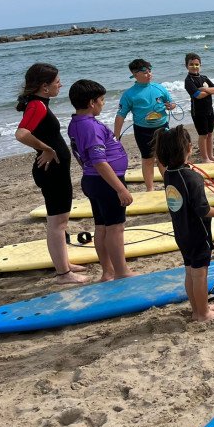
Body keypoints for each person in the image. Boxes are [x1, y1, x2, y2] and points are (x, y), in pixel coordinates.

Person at [14, 63, 87, 284]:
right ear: (44, 86)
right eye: (57, 82)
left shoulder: (39, 103)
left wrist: (47, 148)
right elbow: (21, 134)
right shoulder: (37, 106)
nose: (60, 84)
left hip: (54, 170)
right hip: (51, 171)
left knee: (59, 220)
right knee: (58, 223)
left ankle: (63, 263)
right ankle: (63, 274)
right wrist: (46, 148)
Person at [154, 126, 214, 322]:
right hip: (197, 234)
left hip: (182, 233)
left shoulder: (169, 175)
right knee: (200, 275)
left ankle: (198, 308)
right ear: (190, 147)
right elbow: (203, 210)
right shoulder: (192, 177)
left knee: (190, 272)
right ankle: (203, 314)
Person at [68, 79, 136, 282]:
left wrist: (89, 172)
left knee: (102, 226)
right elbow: (99, 161)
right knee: (115, 228)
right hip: (106, 182)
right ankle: (121, 271)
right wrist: (120, 189)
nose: (103, 103)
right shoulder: (90, 126)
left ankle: (108, 271)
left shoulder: (76, 123)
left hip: (93, 180)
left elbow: (79, 155)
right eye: (101, 100)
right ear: (91, 102)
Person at [113, 58, 175, 192]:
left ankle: (169, 184)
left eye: (150, 71)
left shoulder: (159, 88)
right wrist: (116, 135)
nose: (149, 74)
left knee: (163, 158)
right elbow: (121, 115)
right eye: (145, 72)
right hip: (143, 130)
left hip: (162, 127)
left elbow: (171, 103)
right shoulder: (129, 94)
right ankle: (150, 188)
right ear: (135, 74)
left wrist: (171, 106)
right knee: (147, 159)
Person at [184, 53, 214, 163]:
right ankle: (205, 158)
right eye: (191, 64)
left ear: (200, 65)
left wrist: (204, 89)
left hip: (209, 110)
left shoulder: (204, 77)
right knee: (203, 135)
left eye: (196, 64)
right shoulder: (188, 81)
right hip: (198, 112)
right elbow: (198, 96)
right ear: (186, 66)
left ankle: (211, 156)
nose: (194, 67)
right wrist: (208, 91)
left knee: (209, 134)